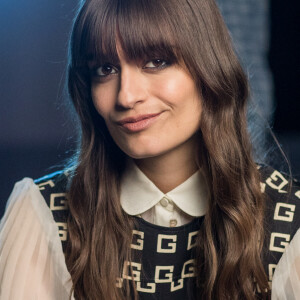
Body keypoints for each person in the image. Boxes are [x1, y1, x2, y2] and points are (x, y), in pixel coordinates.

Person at [0, 0, 299, 299]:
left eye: (156, 62)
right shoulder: (44, 213)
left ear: (209, 66)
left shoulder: (289, 222)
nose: (127, 96)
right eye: (105, 69)